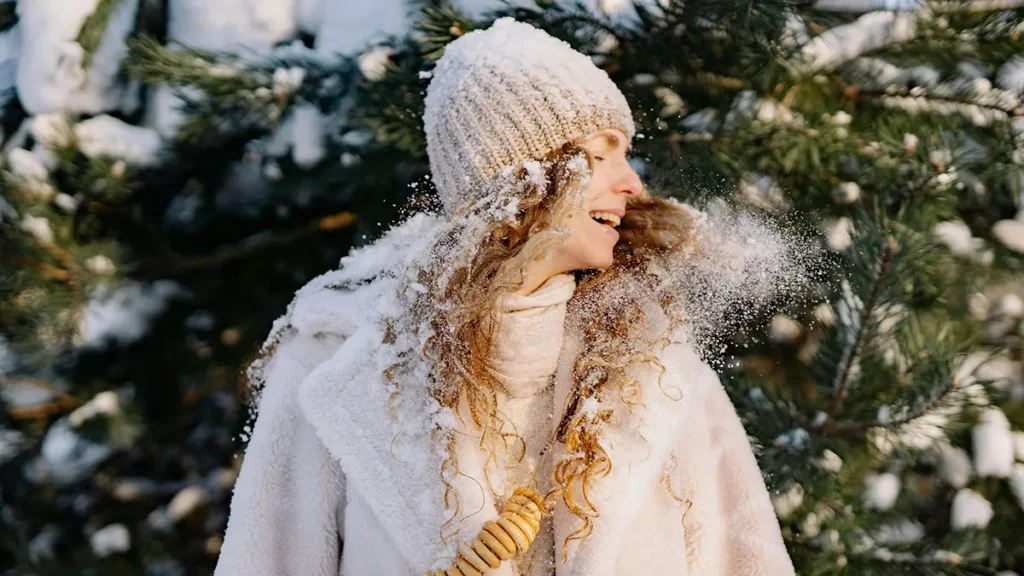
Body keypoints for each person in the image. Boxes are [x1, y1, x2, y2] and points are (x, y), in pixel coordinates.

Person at [215, 18, 796, 576]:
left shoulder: (661, 368)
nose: (632, 183)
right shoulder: (332, 367)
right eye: (599, 155)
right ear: (523, 179)